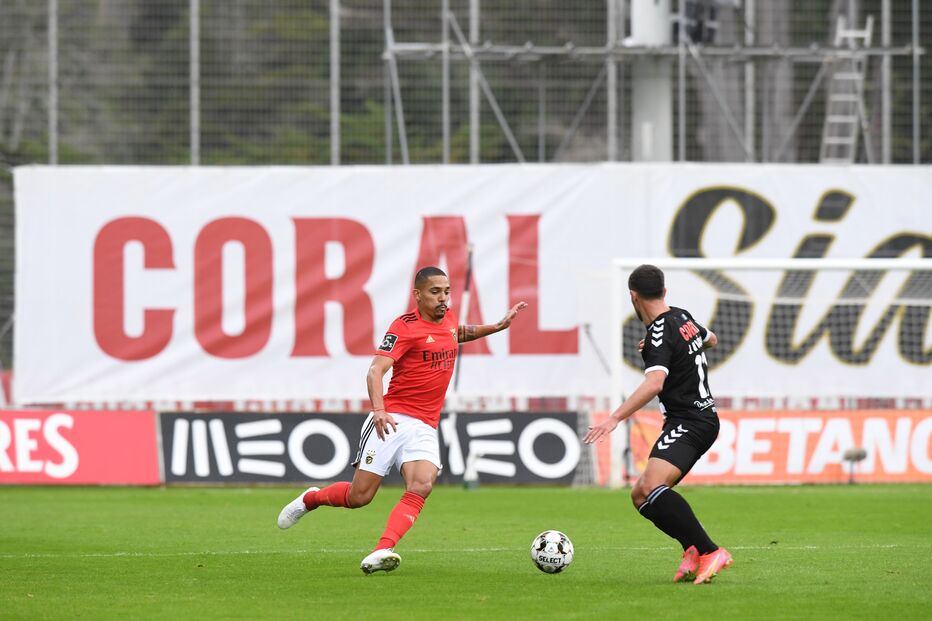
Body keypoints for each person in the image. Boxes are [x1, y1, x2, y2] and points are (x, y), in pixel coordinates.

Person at [278, 266, 527, 574]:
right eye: (435, 292)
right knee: (360, 497)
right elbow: (375, 370)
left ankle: (382, 549)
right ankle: (311, 499)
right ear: (417, 295)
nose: (443, 298)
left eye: (447, 291)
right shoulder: (404, 327)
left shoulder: (447, 319)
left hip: (424, 425)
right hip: (392, 418)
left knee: (422, 485)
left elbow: (455, 333)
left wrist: (496, 327)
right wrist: (380, 411)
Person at [584, 264, 732, 585]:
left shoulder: (658, 336)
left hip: (690, 421)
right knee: (640, 494)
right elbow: (712, 340)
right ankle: (691, 549)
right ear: (664, 292)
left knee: (651, 487)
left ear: (633, 297)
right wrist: (668, 350)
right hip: (699, 418)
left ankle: (710, 551)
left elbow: (654, 384)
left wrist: (614, 418)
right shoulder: (681, 316)